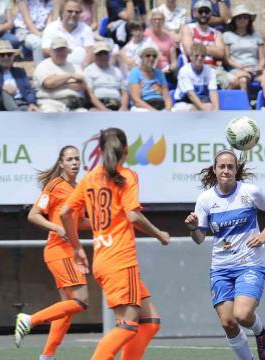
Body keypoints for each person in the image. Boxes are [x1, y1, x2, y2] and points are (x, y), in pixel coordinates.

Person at [60, 127, 170, 360]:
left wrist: (78, 247)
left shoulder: (89, 178)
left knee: (150, 322)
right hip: (120, 259)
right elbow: (133, 215)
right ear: (126, 150)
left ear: (99, 150)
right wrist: (159, 233)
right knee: (128, 325)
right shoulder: (126, 175)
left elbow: (65, 212)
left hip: (103, 259)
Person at [184, 149, 265, 360]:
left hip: (250, 263)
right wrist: (193, 229)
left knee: (242, 314)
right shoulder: (205, 199)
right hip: (220, 267)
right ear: (215, 169)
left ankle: (260, 331)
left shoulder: (251, 192)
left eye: (230, 166)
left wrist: (264, 234)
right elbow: (200, 238)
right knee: (228, 322)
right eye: (222, 166)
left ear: (236, 170)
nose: (226, 170)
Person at [14, 146, 89, 359]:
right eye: (69, 159)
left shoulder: (79, 188)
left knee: (67, 307)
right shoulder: (55, 185)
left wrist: (106, 223)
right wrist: (56, 228)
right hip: (59, 249)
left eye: (76, 159)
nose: (74, 162)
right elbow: (34, 214)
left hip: (70, 250)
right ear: (61, 163)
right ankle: (29, 320)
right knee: (81, 301)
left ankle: (47, 356)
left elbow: (80, 221)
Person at [34, 37, 105, 112]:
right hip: (51, 103)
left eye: (63, 50)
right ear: (51, 52)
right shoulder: (44, 65)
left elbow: (83, 86)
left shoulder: (74, 66)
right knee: (50, 113)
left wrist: (58, 82)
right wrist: (70, 76)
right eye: (57, 50)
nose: (61, 53)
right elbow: (49, 83)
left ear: (67, 51)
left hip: (74, 104)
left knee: (83, 114)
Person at [222, 5, 265, 93]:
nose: (242, 20)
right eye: (239, 17)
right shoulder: (227, 35)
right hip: (237, 69)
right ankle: (245, 105)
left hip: (255, 69)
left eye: (245, 17)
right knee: (243, 80)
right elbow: (228, 59)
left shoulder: (256, 36)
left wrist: (260, 67)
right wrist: (243, 68)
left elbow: (262, 57)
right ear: (234, 20)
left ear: (249, 20)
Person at [0, 40, 39, 111]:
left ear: (13, 56)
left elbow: (28, 90)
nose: (6, 57)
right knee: (5, 92)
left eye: (9, 54)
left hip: (21, 103)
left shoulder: (20, 71)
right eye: (2, 55)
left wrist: (32, 103)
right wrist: (3, 87)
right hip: (1, 106)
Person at [42, 0, 94, 68]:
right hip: (58, 67)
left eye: (77, 12)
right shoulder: (51, 28)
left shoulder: (86, 29)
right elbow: (45, 50)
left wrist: (83, 67)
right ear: (61, 12)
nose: (73, 14)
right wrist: (64, 52)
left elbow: (90, 51)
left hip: (82, 69)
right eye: (70, 11)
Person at [173, 43, 218, 111]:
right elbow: (191, 95)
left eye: (202, 56)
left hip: (203, 101)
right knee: (194, 110)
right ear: (190, 57)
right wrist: (203, 109)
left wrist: (216, 111)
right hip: (184, 102)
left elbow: (213, 92)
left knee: (211, 107)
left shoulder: (211, 71)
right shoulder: (184, 71)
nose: (199, 58)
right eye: (196, 56)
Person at [85, 41, 129, 111]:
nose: (103, 56)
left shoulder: (117, 71)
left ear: (109, 55)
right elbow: (90, 94)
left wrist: (123, 107)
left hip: (117, 104)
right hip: (99, 105)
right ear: (94, 56)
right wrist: (104, 109)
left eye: (105, 53)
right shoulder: (89, 70)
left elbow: (124, 92)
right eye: (100, 54)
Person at [128, 44, 172, 111]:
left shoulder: (159, 73)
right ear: (141, 57)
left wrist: (168, 109)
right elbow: (136, 100)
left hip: (160, 104)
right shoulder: (135, 72)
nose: (151, 58)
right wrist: (153, 111)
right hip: (144, 106)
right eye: (148, 55)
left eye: (154, 56)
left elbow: (166, 96)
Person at [180, 0, 225, 67]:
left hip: (211, 69)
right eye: (200, 11)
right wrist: (213, 49)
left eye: (206, 11)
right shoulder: (188, 28)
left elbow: (221, 53)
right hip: (192, 68)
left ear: (211, 13)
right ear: (194, 13)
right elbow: (189, 50)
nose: (203, 14)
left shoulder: (216, 33)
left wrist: (197, 47)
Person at [14, 0, 54, 65]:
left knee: (55, 41)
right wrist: (40, 35)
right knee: (38, 43)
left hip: (42, 30)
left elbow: (49, 22)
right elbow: (27, 21)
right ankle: (40, 73)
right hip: (25, 31)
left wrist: (47, 35)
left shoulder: (49, 1)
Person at [144, 9, 178, 85]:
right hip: (149, 68)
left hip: (165, 71)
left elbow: (174, 62)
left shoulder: (170, 37)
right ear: (150, 21)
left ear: (163, 21)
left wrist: (170, 69)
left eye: (160, 19)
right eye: (154, 19)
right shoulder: (145, 34)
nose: (157, 22)